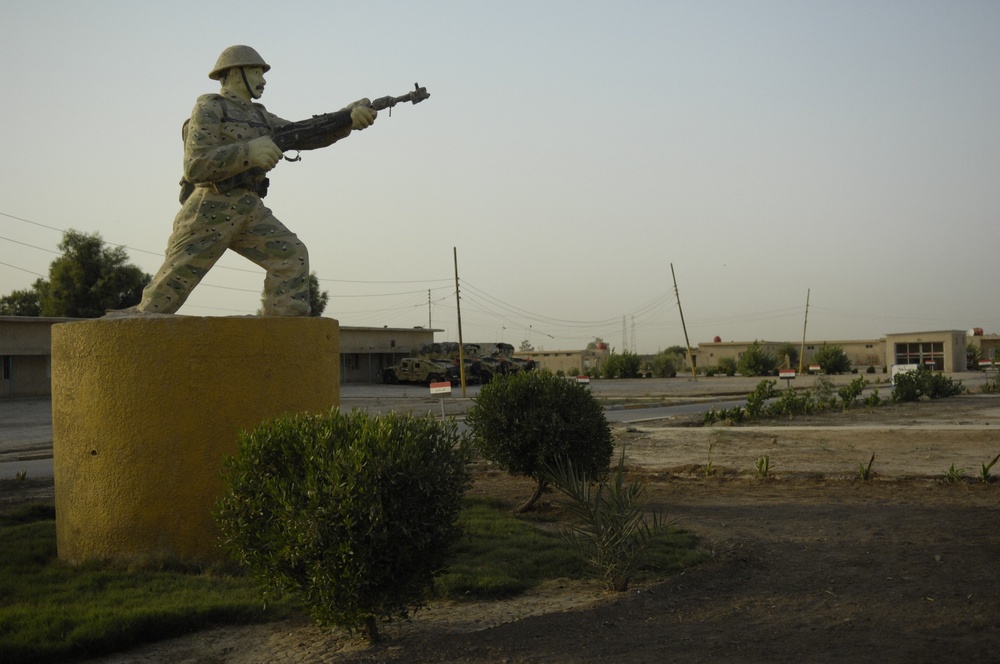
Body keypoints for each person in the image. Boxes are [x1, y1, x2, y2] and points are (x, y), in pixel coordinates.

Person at [126, 45, 376, 317]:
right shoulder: (210, 106)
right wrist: (248, 153)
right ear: (235, 73)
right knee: (165, 295)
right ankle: (130, 337)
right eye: (256, 72)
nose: (263, 80)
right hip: (210, 209)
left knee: (291, 257)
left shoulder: (260, 115)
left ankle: (281, 335)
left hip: (250, 208)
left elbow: (304, 134)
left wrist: (347, 119)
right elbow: (195, 166)